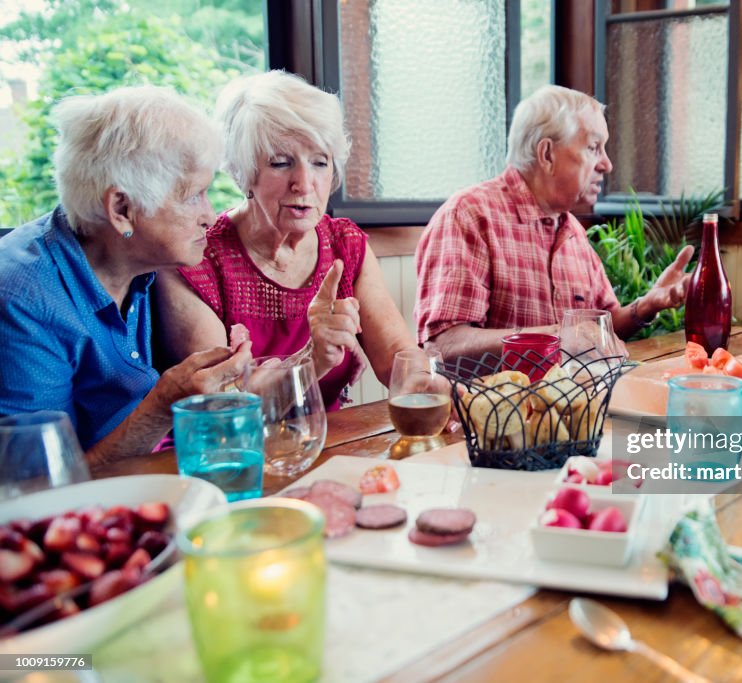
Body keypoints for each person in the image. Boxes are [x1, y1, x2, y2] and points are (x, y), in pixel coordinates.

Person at [0, 86, 251, 466]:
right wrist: (162, 405)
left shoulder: (144, 261)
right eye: (193, 196)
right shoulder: (23, 296)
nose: (210, 215)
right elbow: (38, 488)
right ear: (121, 209)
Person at [157, 70, 416, 410]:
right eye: (281, 163)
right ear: (243, 172)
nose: (305, 183)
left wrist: (428, 381)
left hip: (324, 443)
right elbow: (222, 404)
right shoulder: (197, 260)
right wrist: (311, 360)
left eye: (320, 162)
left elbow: (396, 358)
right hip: (228, 453)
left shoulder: (344, 245)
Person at [414, 84, 694, 361]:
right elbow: (442, 345)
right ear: (547, 154)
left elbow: (601, 329)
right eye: (594, 147)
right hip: (495, 405)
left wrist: (646, 305)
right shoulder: (469, 216)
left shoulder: (572, 230)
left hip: (575, 403)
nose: (607, 164)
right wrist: (558, 336)